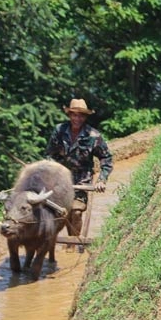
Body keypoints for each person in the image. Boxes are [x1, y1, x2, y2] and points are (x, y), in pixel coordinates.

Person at [45, 98, 113, 238]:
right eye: (74, 115)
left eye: (81, 115)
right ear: (69, 115)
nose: (77, 118)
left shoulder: (93, 136)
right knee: (60, 211)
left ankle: (73, 242)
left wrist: (102, 179)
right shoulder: (59, 131)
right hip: (61, 180)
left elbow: (106, 158)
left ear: (85, 117)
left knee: (76, 211)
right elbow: (49, 155)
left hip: (82, 181)